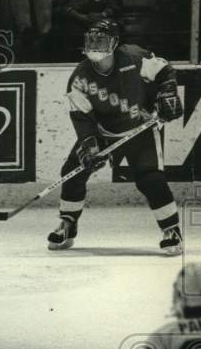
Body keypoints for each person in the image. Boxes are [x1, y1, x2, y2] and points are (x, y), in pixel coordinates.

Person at [47, 19, 184, 254]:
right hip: (103, 131)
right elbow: (81, 116)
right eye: (91, 40)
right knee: (73, 172)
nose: (95, 46)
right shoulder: (80, 77)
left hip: (140, 128)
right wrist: (89, 144)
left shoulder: (134, 57)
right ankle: (68, 224)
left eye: (101, 41)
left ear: (115, 43)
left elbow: (165, 70)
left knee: (150, 179)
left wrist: (168, 91)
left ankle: (171, 230)